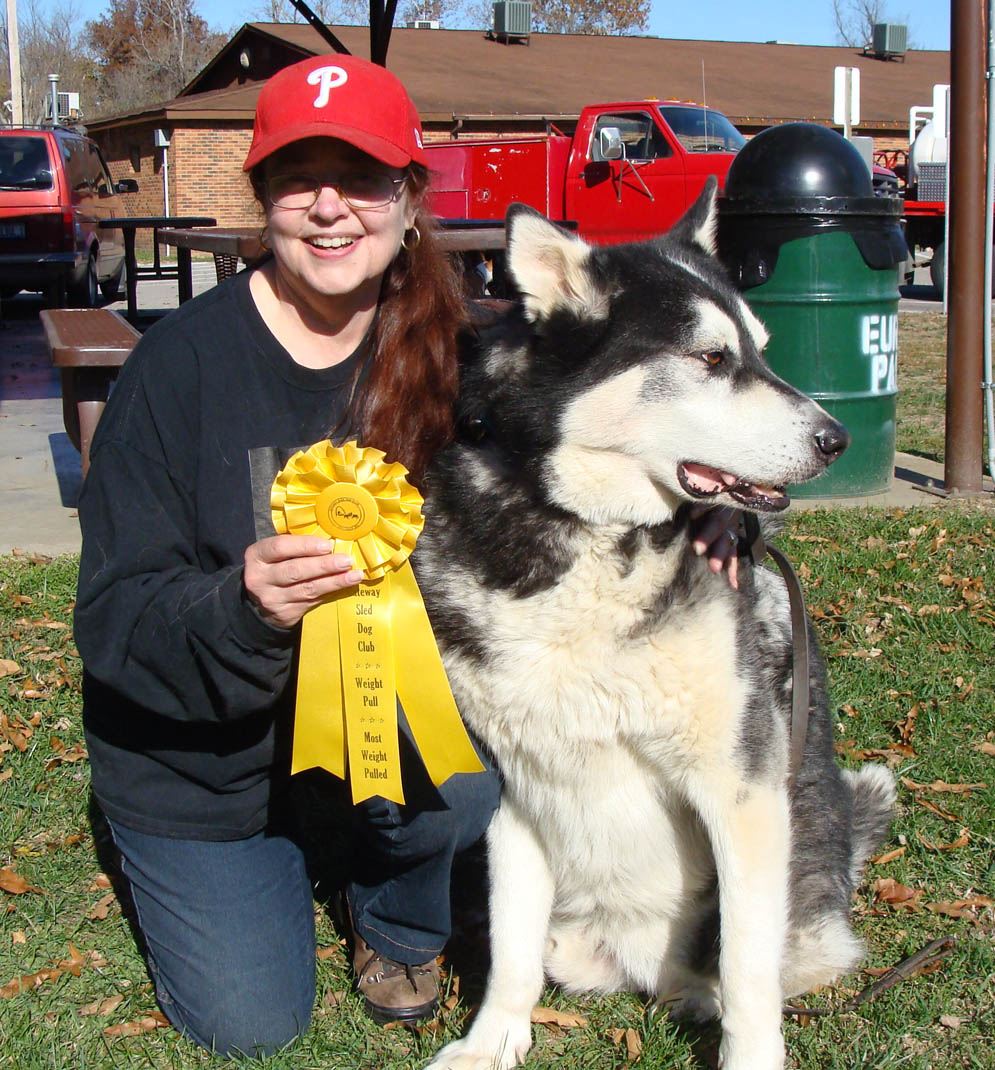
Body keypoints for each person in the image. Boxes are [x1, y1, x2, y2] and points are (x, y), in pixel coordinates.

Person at [74, 54, 742, 1060]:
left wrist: (701, 508)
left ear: (408, 200)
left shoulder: (466, 352)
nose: (331, 206)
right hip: (207, 769)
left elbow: (602, 441)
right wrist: (241, 607)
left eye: (365, 177)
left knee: (470, 781)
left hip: (389, 727)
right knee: (252, 1021)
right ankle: (301, 853)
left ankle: (394, 916)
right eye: (300, 177)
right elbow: (114, 620)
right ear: (262, 197)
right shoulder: (173, 371)